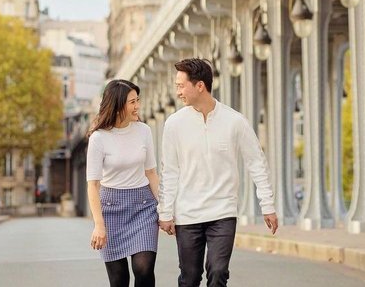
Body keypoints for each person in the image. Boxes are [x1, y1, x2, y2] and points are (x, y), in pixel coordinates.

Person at [158, 58, 278, 287]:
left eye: (181, 85)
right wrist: (165, 212)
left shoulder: (235, 121)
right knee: (190, 278)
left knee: (218, 272)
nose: (178, 92)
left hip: (222, 212)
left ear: (200, 85)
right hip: (187, 214)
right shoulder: (174, 124)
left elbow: (257, 163)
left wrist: (268, 205)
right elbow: (170, 171)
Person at [87, 79, 159, 287]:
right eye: (132, 102)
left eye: (138, 100)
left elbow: (151, 173)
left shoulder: (144, 131)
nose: (138, 106)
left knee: (143, 268)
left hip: (143, 207)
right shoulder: (98, 138)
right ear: (118, 105)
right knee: (119, 279)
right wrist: (99, 225)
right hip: (111, 210)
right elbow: (93, 185)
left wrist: (164, 208)